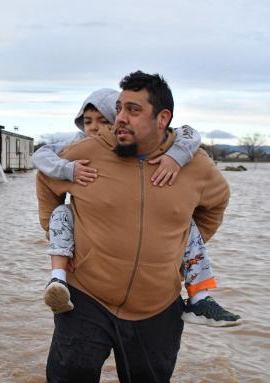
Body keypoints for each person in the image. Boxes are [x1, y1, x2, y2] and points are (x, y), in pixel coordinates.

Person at [36, 71, 231, 383]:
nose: (120, 119)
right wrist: (63, 239)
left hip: (157, 308)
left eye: (133, 110)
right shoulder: (88, 152)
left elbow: (217, 202)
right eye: (120, 108)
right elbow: (45, 179)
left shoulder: (194, 164)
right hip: (85, 300)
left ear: (162, 118)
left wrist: (176, 249)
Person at [33, 88, 241, 327]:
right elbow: (43, 163)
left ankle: (199, 298)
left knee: (187, 224)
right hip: (87, 294)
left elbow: (190, 135)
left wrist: (177, 156)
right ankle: (57, 279)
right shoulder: (80, 150)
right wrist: (67, 172)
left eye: (103, 121)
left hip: (157, 302)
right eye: (87, 122)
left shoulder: (177, 154)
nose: (95, 128)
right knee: (61, 214)